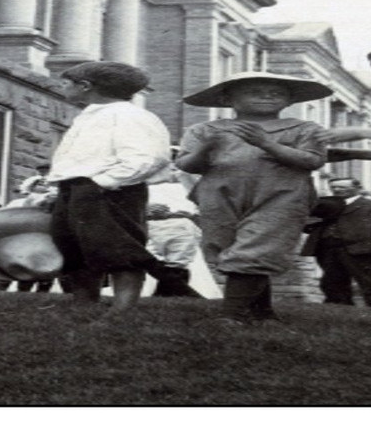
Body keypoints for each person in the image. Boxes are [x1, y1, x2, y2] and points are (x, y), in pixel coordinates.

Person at [176, 71, 332, 324]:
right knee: (228, 247)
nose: (267, 97)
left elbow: (313, 160)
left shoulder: (305, 128)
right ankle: (261, 313)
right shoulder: (204, 129)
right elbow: (186, 164)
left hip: (280, 195)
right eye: (255, 92)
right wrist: (206, 148)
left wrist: (267, 144)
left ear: (290, 101)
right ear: (228, 99)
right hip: (219, 195)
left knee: (257, 247)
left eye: (277, 93)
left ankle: (232, 316)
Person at [46, 61, 172, 314]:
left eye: (65, 83)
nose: (61, 88)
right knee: (74, 247)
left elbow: (147, 157)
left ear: (85, 86)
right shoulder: (89, 115)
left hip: (111, 190)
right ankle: (83, 303)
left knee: (118, 248)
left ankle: (122, 308)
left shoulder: (130, 116)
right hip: (77, 187)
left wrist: (104, 183)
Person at [300, 176, 371, 306]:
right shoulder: (324, 205)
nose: (337, 190)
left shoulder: (367, 205)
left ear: (358, 188)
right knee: (331, 282)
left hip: (358, 249)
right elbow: (306, 223)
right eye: (333, 187)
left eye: (342, 187)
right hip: (326, 249)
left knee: (367, 280)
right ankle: (339, 310)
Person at [145, 164, 205, 297]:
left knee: (178, 262)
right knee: (150, 260)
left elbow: (200, 202)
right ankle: (180, 292)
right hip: (150, 225)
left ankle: (166, 294)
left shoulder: (188, 182)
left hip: (182, 224)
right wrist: (146, 209)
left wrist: (190, 216)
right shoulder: (143, 182)